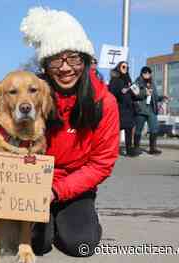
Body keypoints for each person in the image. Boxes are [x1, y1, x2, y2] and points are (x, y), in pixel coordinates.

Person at [20, 7, 119, 257]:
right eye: (56, 59)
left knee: (80, 245)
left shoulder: (104, 102)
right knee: (36, 245)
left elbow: (101, 164)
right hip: (33, 183)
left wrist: (55, 192)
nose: (65, 68)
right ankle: (45, 221)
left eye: (73, 58)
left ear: (85, 60)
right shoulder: (29, 97)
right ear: (45, 64)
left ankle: (73, 214)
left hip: (73, 187)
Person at [133, 66, 167, 155]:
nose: (147, 74)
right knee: (138, 129)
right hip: (141, 109)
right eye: (145, 72)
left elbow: (155, 97)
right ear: (142, 73)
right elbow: (134, 94)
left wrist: (162, 98)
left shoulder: (152, 83)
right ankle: (136, 147)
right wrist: (145, 93)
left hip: (152, 109)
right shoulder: (137, 82)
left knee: (154, 128)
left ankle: (153, 148)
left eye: (148, 73)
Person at [109, 61, 138, 157]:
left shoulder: (129, 80)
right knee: (115, 130)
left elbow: (135, 95)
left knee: (129, 130)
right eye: (123, 67)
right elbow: (111, 93)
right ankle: (112, 150)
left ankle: (129, 150)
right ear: (119, 68)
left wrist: (135, 92)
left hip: (129, 109)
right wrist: (120, 92)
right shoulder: (115, 80)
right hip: (119, 109)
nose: (125, 69)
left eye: (126, 67)